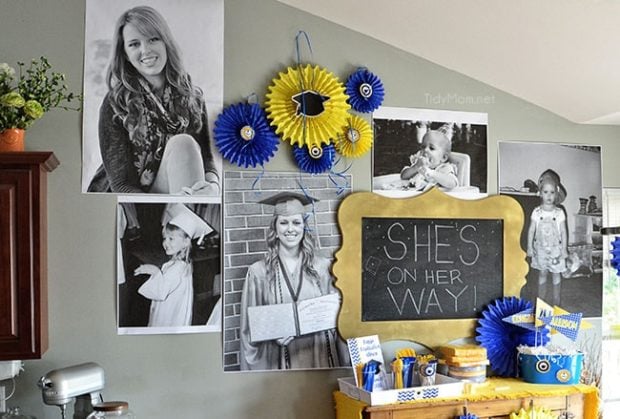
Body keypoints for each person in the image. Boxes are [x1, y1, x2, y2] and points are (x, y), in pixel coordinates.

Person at [88, 5, 219, 196]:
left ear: (165, 42)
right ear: (124, 53)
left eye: (153, 39)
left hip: (177, 194)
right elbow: (121, 184)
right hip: (130, 201)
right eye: (134, 44)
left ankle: (184, 220)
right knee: (183, 145)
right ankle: (182, 222)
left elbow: (206, 158)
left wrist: (213, 187)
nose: (145, 50)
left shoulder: (192, 97)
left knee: (184, 144)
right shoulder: (116, 102)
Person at [239, 192, 349, 370]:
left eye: (296, 222)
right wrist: (271, 334)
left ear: (304, 227)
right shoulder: (258, 272)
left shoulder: (323, 268)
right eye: (284, 222)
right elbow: (249, 328)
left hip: (318, 355)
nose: (290, 229)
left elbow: (340, 318)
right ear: (275, 229)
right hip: (279, 358)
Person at [135, 203, 213, 327]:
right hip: (172, 312)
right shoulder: (182, 264)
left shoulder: (178, 268)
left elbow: (160, 292)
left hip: (168, 317)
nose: (166, 243)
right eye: (164, 238)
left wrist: (155, 271)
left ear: (186, 242)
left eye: (171, 239)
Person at [526, 169, 568, 306]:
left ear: (556, 194)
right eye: (545, 192)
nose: (549, 196)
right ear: (540, 193)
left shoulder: (559, 212)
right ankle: (541, 302)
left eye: (552, 192)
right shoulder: (536, 212)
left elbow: (563, 231)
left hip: (556, 251)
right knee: (542, 274)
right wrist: (529, 248)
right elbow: (531, 230)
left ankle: (557, 302)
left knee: (556, 274)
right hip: (541, 251)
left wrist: (564, 249)